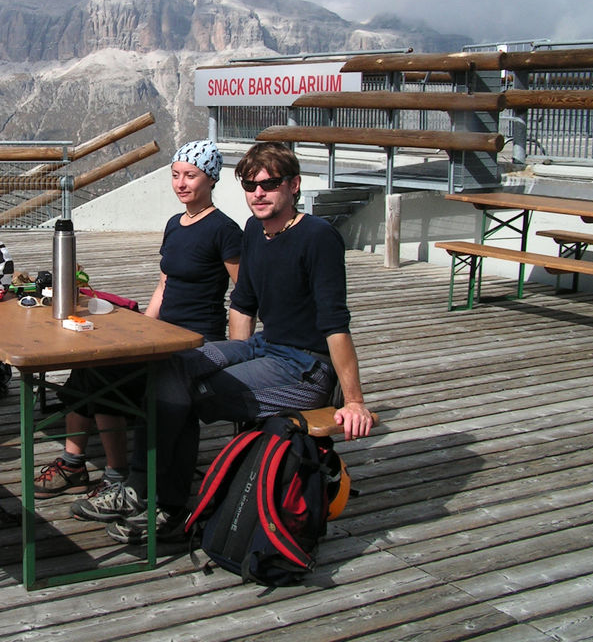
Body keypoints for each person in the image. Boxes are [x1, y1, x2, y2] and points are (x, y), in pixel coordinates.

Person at [95, 141, 375, 544]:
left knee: (188, 393)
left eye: (269, 184)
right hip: (264, 348)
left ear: (293, 185)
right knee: (171, 365)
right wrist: (228, 359)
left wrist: (353, 401)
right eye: (250, 185)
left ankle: (162, 504)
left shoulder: (318, 236)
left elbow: (335, 324)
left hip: (305, 365)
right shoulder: (254, 231)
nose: (258, 193)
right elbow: (242, 305)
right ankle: (149, 492)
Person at [32, 140, 242, 518]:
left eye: (190, 176)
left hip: (195, 339)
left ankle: (116, 475)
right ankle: (81, 463)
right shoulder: (174, 224)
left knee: (112, 376)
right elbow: (164, 283)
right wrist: (143, 328)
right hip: (161, 334)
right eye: (175, 175)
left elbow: (244, 292)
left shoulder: (224, 230)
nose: (181, 184)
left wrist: (240, 349)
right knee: (90, 365)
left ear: (210, 180)